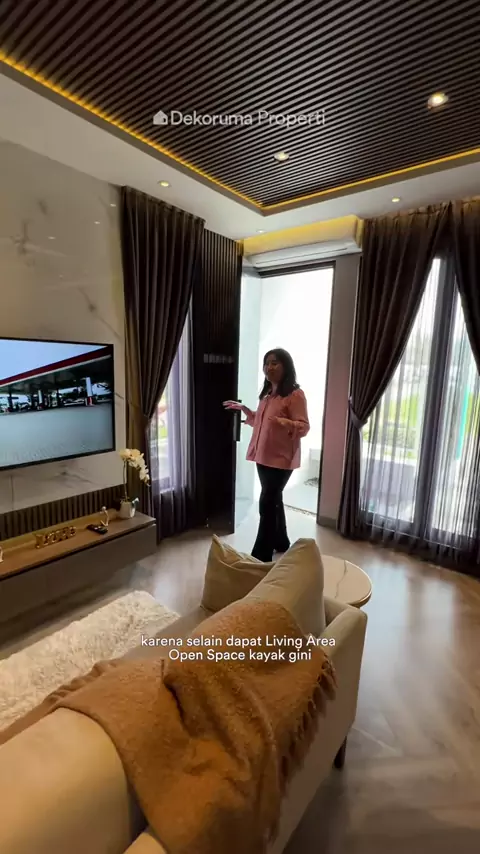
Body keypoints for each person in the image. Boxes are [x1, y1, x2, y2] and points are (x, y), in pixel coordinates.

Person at [224, 348, 309, 562]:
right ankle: (281, 542)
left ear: (286, 366)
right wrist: (246, 410)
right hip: (263, 456)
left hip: (282, 459)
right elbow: (262, 422)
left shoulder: (295, 395)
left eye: (274, 363)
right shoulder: (268, 394)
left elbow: (304, 427)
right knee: (274, 499)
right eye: (267, 363)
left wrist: (286, 423)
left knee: (267, 503)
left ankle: (261, 556)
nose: (269, 367)